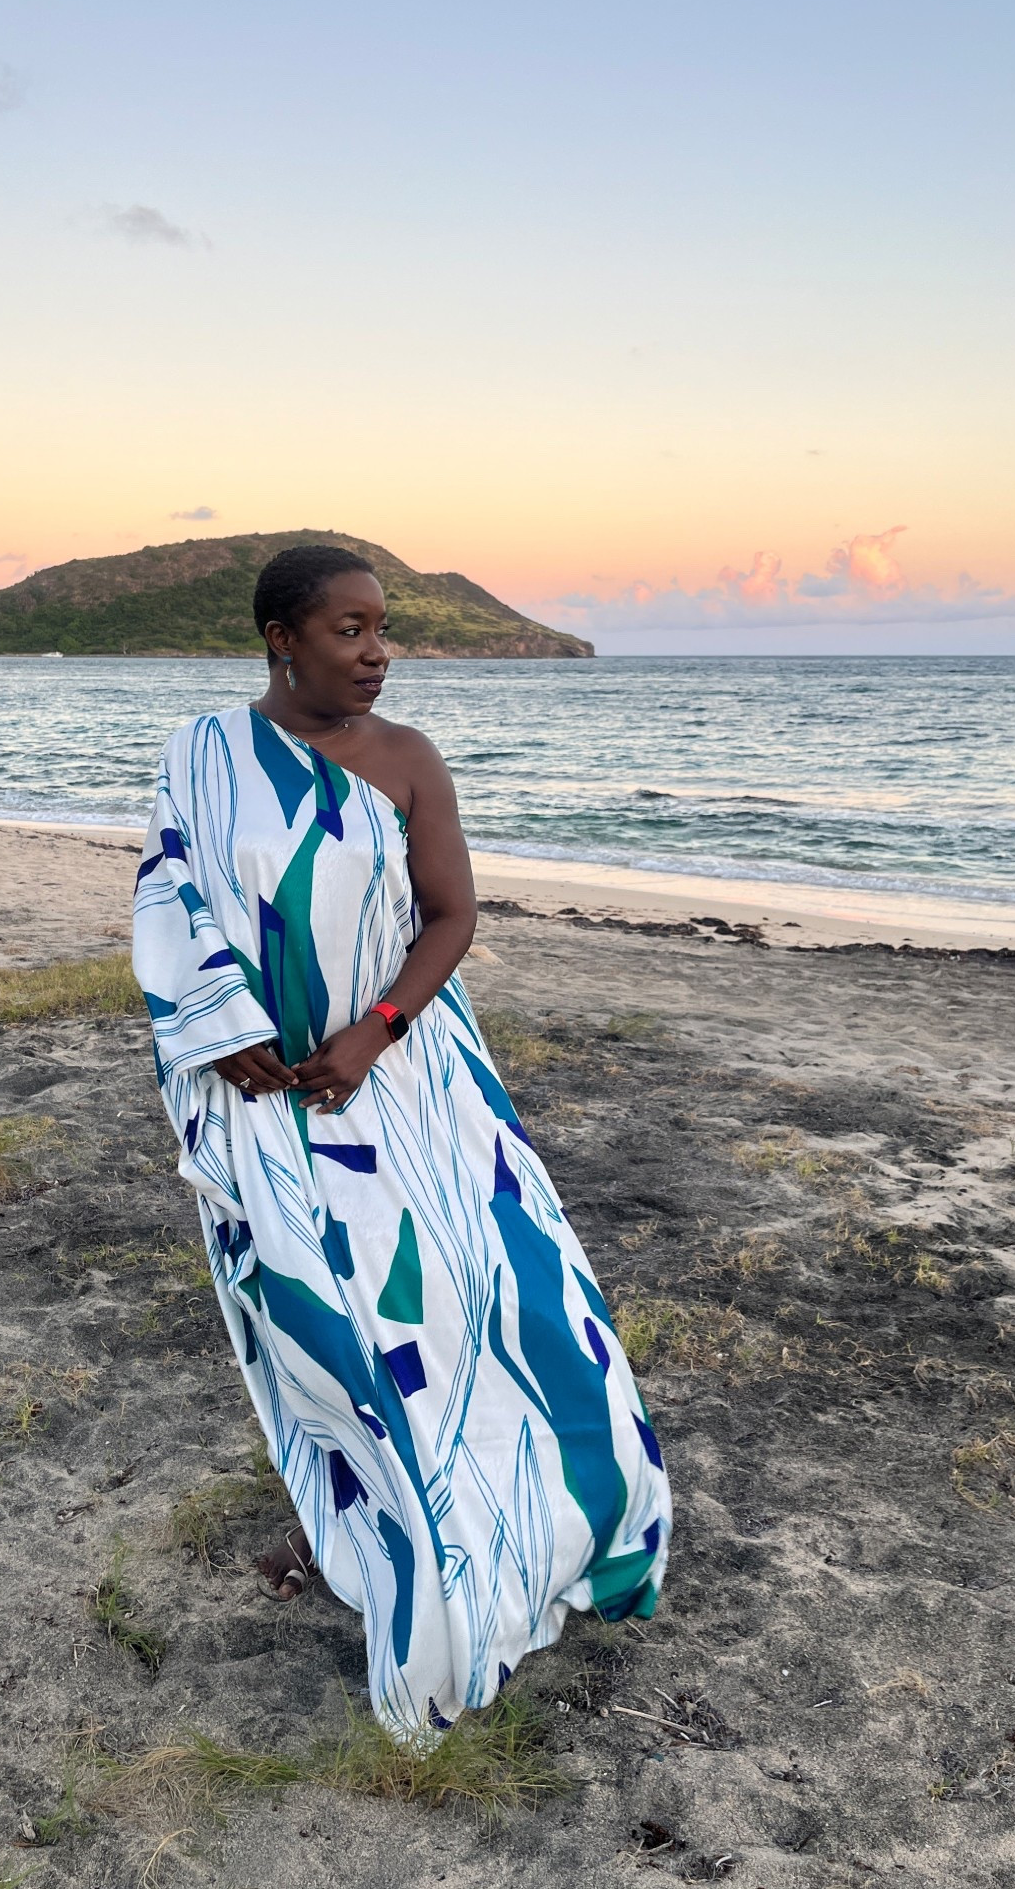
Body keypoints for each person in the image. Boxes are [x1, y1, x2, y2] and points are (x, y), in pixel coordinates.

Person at [132, 544, 670, 1734]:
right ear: (280, 635)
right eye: (350, 630)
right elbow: (167, 891)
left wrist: (375, 1032)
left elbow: (452, 913)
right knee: (320, 1322)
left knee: (493, 1296)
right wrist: (220, 1026)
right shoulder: (203, 754)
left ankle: (553, 1514)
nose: (377, 653)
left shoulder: (409, 760)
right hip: (259, 1097)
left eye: (384, 630)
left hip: (410, 1086)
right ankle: (392, 1536)